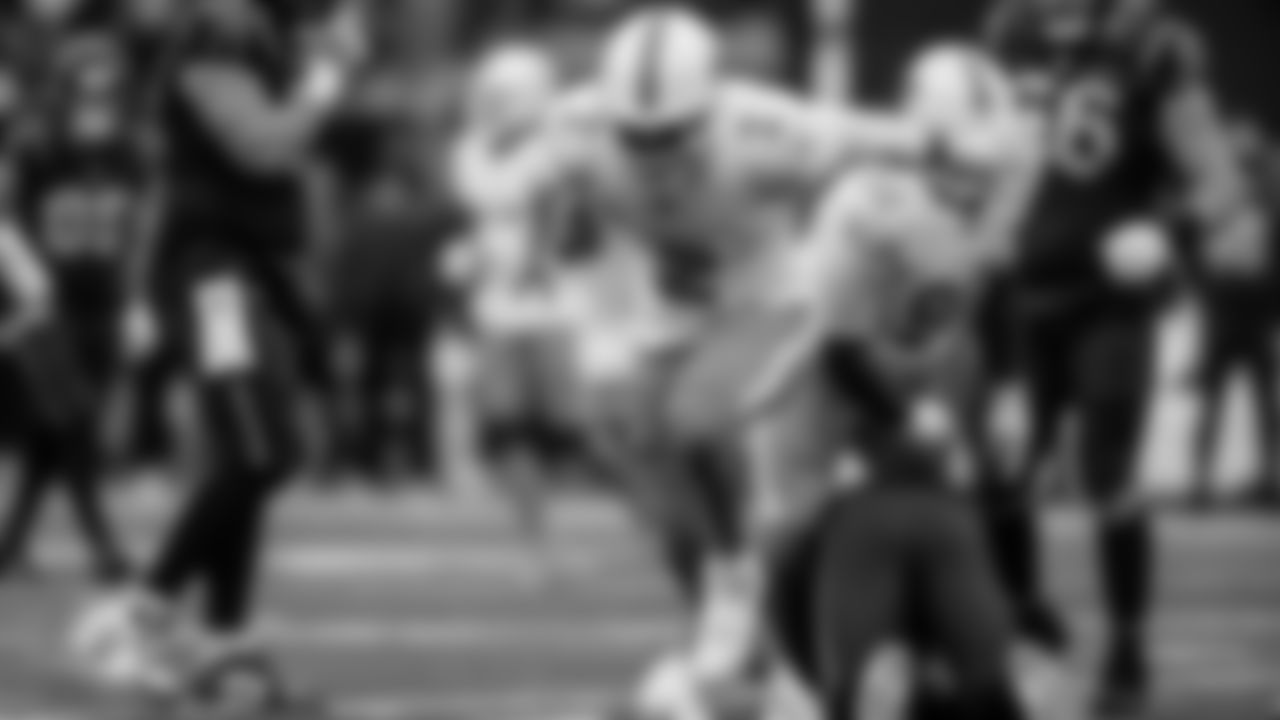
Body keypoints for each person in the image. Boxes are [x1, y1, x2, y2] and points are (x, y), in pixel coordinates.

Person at [508, 4, 929, 707]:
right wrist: (562, 221)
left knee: (698, 420)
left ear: (711, 106)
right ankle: (749, 657)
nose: (651, 152)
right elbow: (564, 247)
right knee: (664, 504)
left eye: (670, 134)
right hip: (666, 315)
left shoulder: (768, 133)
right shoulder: (571, 133)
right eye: (635, 134)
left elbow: (900, 144)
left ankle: (741, 575)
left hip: (766, 299)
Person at [69, 0, 364, 706]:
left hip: (248, 265)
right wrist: (327, 77)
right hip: (213, 268)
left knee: (253, 452)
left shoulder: (259, 35)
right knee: (261, 449)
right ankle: (138, 613)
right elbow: (262, 144)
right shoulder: (216, 29)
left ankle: (223, 642)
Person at [754, 42, 1048, 720]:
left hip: (924, 366)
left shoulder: (1007, 171)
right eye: (962, 164)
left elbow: (998, 279)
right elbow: (837, 345)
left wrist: (1008, 388)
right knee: (797, 540)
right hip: (825, 399)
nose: (979, 181)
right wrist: (903, 418)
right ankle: (795, 674)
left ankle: (997, 640)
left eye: (988, 163)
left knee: (987, 498)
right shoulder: (863, 206)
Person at [980, 0, 1253, 712]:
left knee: (1107, 470)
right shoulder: (1012, 33)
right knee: (999, 472)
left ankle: (1127, 648)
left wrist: (1169, 230)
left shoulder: (1149, 46)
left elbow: (1222, 182)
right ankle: (1025, 628)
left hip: (1107, 301)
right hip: (1016, 297)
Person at [0, 8, 146, 584]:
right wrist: (24, 277)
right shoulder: (37, 150)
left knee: (54, 432)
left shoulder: (129, 153)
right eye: (86, 90)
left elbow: (139, 228)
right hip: (46, 302)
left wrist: (138, 300)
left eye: (106, 91)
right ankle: (104, 547)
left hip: (101, 300)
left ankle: (10, 545)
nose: (97, 105)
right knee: (75, 423)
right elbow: (5, 217)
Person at [446, 41, 572, 568]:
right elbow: (480, 222)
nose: (490, 102)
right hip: (499, 308)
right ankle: (533, 538)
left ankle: (542, 527)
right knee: (512, 427)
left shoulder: (559, 148)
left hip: (563, 306)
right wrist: (472, 257)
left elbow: (561, 214)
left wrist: (543, 252)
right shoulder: (470, 150)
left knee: (570, 430)